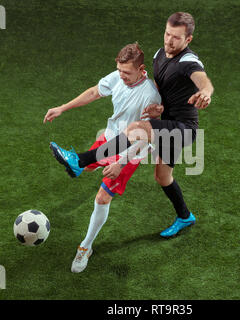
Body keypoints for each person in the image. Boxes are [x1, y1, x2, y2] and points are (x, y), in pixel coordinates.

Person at [50, 12, 214, 239]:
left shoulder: (189, 61)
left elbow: (202, 80)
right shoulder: (159, 55)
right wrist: (160, 109)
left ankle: (80, 160)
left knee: (137, 129)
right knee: (162, 177)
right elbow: (161, 89)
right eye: (167, 33)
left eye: (176, 37)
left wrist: (206, 92)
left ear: (188, 40)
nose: (169, 40)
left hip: (183, 128)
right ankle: (185, 216)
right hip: (165, 122)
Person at [44, 43, 162, 273]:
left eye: (127, 73)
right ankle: (79, 164)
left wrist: (120, 163)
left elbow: (144, 137)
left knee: (101, 198)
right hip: (108, 139)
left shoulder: (150, 95)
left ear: (141, 69)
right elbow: (94, 92)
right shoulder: (119, 76)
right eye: (119, 71)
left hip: (131, 151)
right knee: (86, 168)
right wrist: (62, 108)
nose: (122, 76)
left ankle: (85, 247)